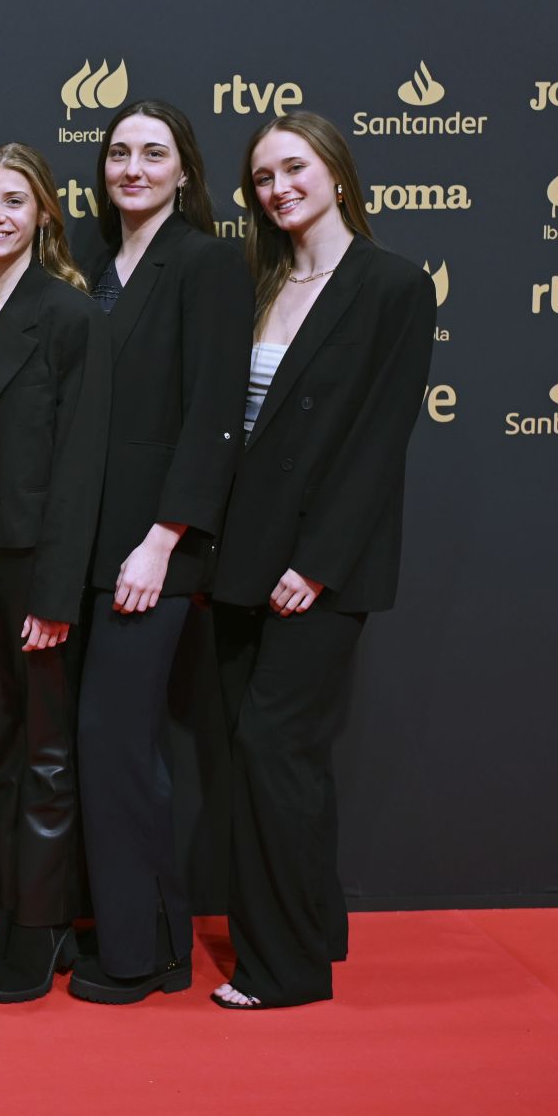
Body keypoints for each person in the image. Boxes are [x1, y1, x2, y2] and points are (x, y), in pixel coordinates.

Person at [209, 111, 436, 1010]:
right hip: (240, 559)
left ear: (336, 172)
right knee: (272, 757)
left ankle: (286, 970)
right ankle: (317, 931)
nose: (278, 188)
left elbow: (381, 441)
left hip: (318, 568)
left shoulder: (393, 287)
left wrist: (319, 563)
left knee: (276, 749)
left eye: (293, 168)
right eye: (263, 178)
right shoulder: (261, 282)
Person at [68, 100, 253, 1005]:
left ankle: (146, 954)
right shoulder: (100, 267)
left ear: (185, 172)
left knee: (117, 740)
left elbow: (214, 412)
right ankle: (145, 933)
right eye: (118, 153)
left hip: (155, 552)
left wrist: (164, 540)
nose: (132, 166)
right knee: (112, 744)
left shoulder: (210, 262)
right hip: (94, 547)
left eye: (153, 153)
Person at [0, 143, 105, 1003]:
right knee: (0, 750)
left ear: (44, 214)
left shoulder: (66, 314)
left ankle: (42, 933)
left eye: (13, 201)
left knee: (42, 752)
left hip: (35, 563)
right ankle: (13, 914)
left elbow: (81, 467)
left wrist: (57, 589)